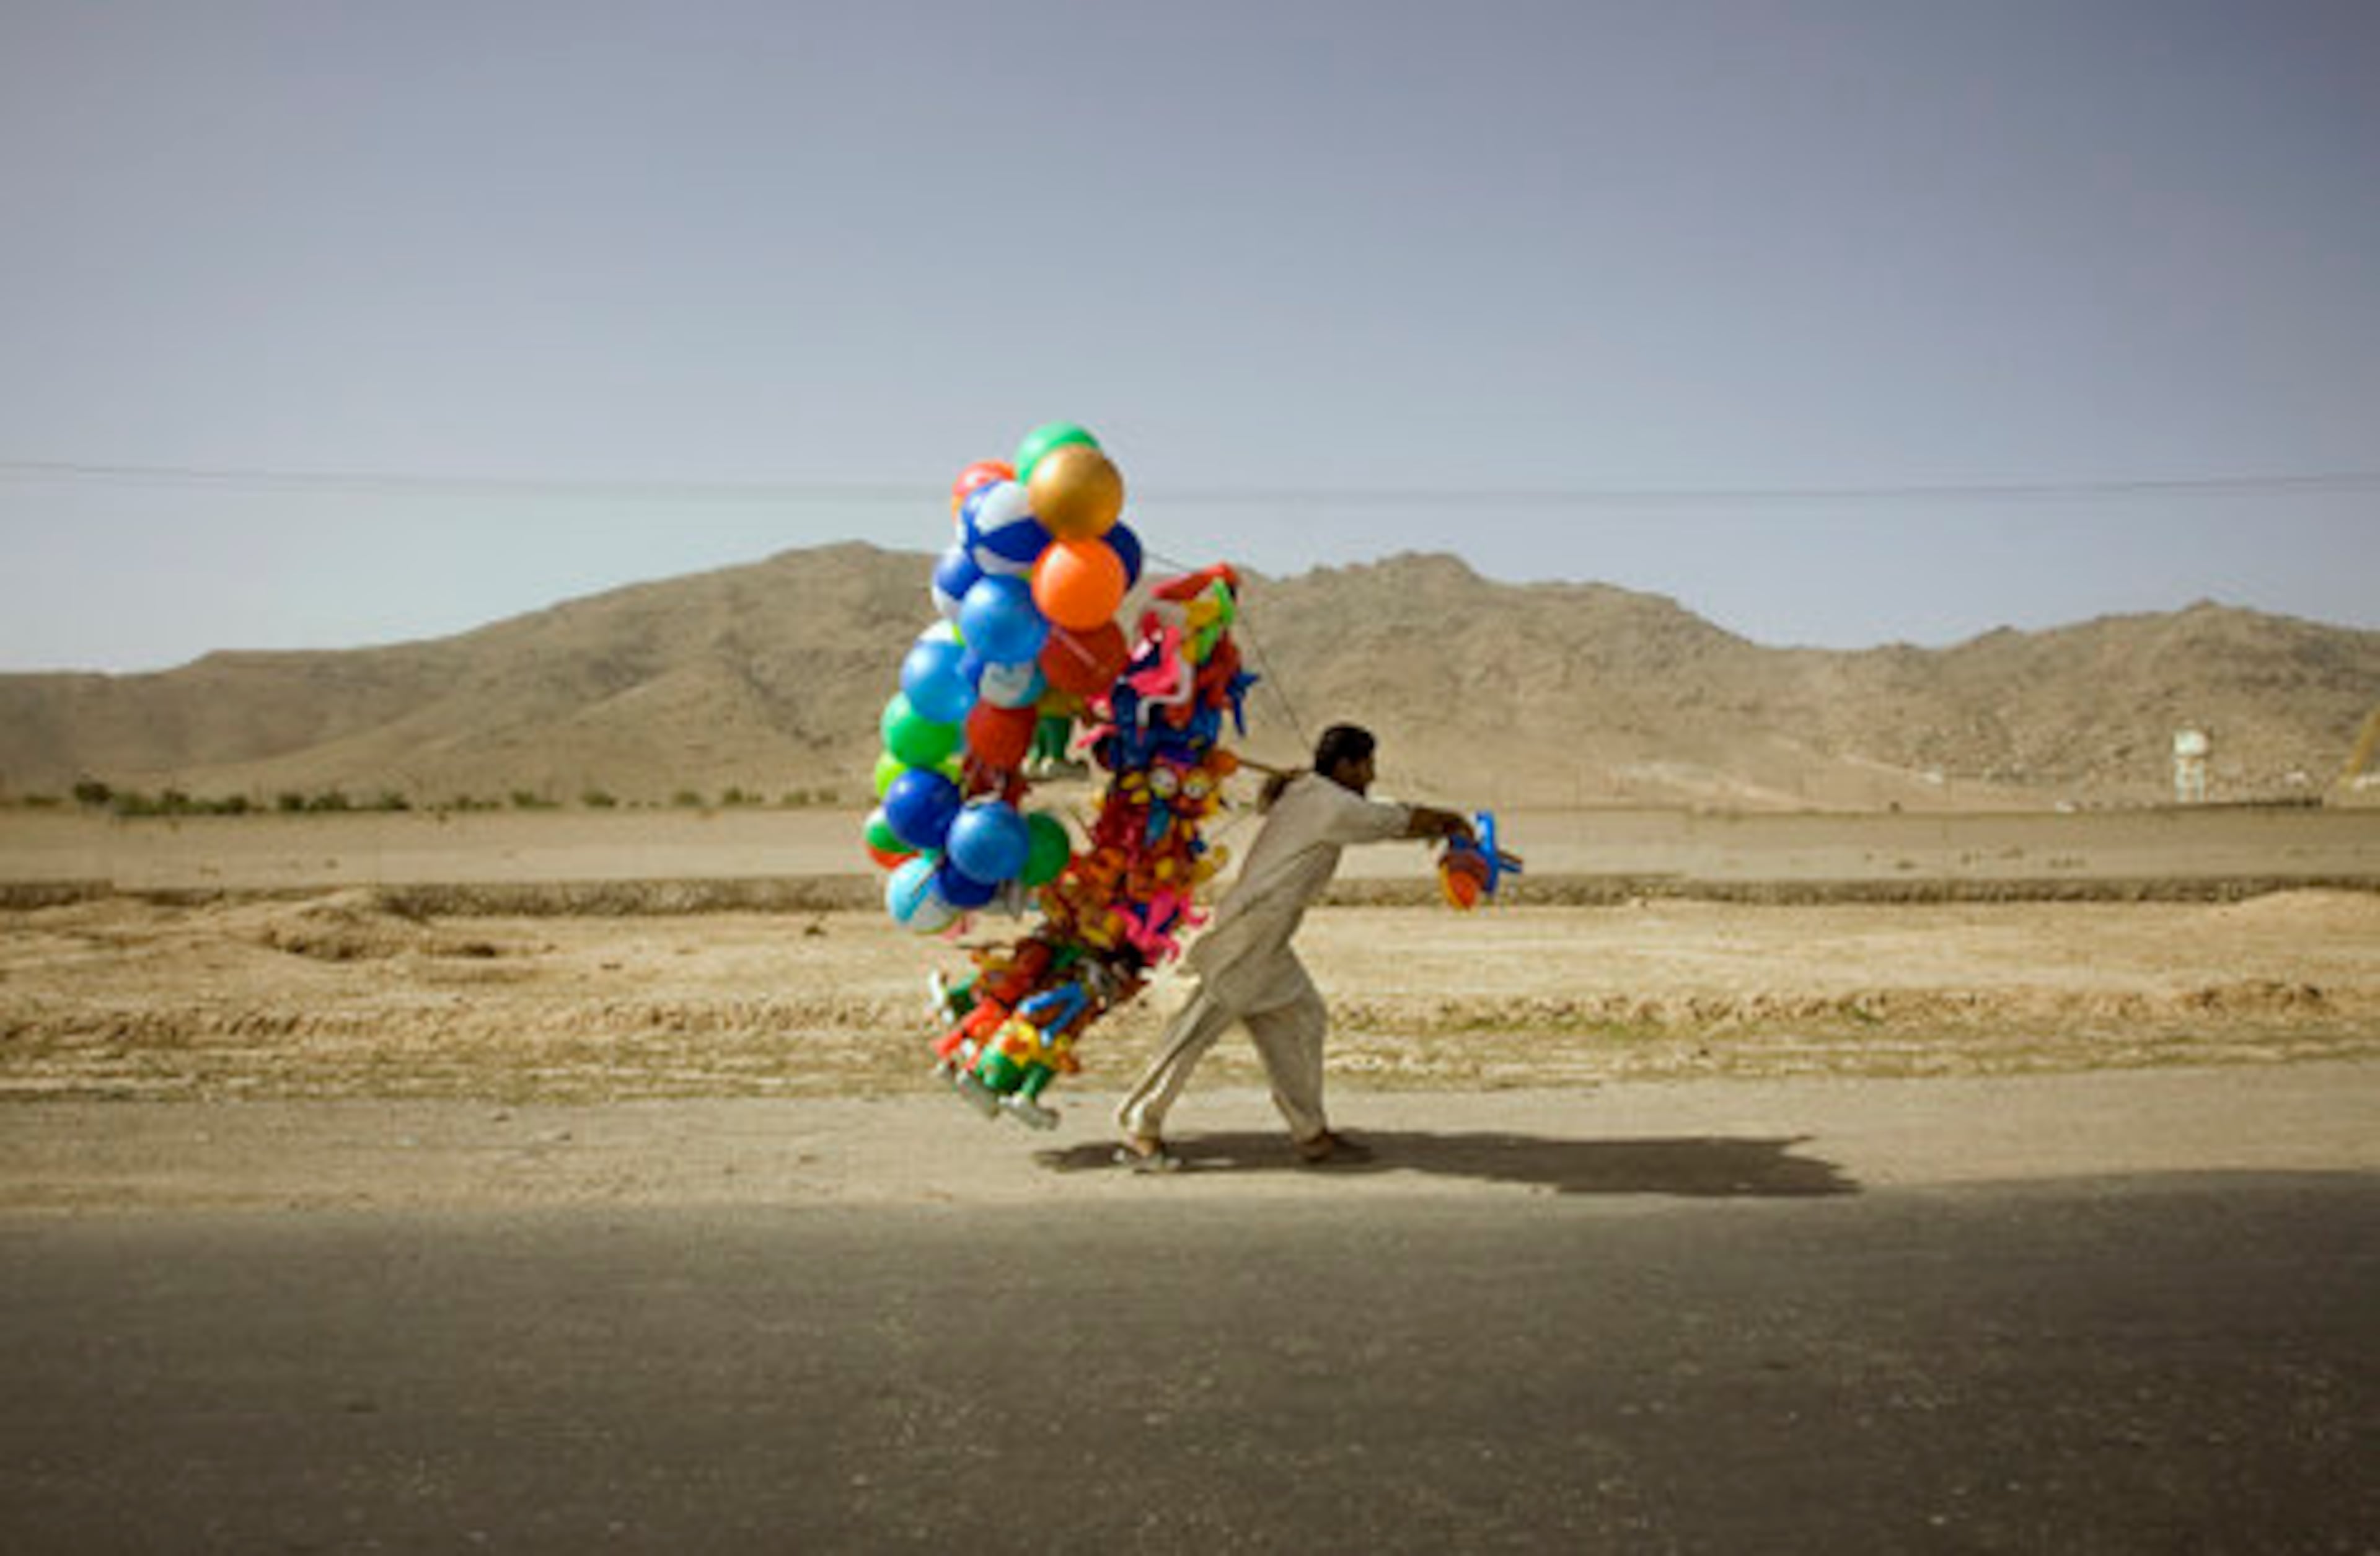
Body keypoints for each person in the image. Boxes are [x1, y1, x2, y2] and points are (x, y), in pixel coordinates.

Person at [1114, 723, 1474, 1170]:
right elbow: (1392, 819)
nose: (1370, 776)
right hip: (1252, 933)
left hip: (1270, 937)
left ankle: (1311, 1133)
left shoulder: (1311, 792)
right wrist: (1449, 820)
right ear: (1345, 765)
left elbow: (1375, 812)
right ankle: (1140, 1127)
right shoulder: (1326, 803)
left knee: (1300, 1015)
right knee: (1195, 1029)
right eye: (1366, 766)